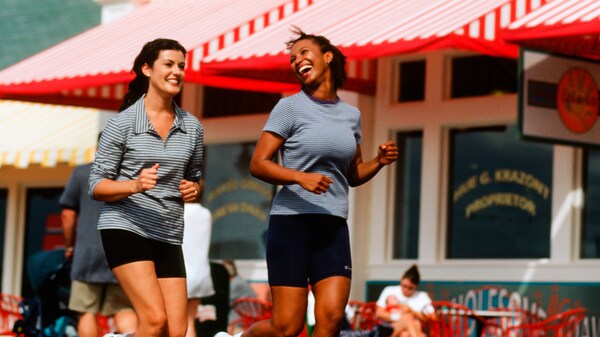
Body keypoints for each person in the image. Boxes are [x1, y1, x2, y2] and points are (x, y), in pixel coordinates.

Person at [215, 27, 398, 337]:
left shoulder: (351, 115)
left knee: (329, 321)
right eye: (292, 57)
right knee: (287, 327)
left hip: (333, 226)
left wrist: (378, 162)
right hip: (292, 224)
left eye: (304, 53)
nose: (296, 60)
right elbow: (258, 163)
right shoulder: (289, 107)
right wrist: (300, 177)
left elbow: (352, 175)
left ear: (328, 57)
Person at [88, 38, 204, 337]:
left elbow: (195, 177)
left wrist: (194, 189)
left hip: (167, 231)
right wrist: (135, 185)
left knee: (176, 332)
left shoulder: (192, 127)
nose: (177, 71)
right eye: (168, 64)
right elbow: (97, 185)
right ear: (147, 69)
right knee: (153, 320)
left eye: (181, 66)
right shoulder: (122, 124)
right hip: (127, 227)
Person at [60, 139, 138, 337]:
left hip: (87, 252)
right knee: (123, 308)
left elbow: (67, 215)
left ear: (97, 148)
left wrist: (69, 247)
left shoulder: (82, 173)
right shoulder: (131, 177)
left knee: (86, 311)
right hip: (122, 253)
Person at [183, 180, 215, 337]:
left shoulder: (179, 212)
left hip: (182, 274)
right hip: (201, 273)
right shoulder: (205, 213)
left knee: (176, 321)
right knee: (189, 320)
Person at [375, 265, 434, 337]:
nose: (406, 290)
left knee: (406, 334)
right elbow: (379, 313)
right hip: (390, 329)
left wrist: (412, 311)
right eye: (404, 286)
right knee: (409, 318)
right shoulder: (389, 290)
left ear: (416, 286)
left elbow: (433, 317)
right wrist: (400, 317)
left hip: (410, 330)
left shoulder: (422, 296)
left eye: (410, 288)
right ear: (401, 279)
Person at [222, 260, 257, 334]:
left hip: (245, 317)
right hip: (248, 315)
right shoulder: (238, 280)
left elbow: (224, 302)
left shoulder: (235, 283)